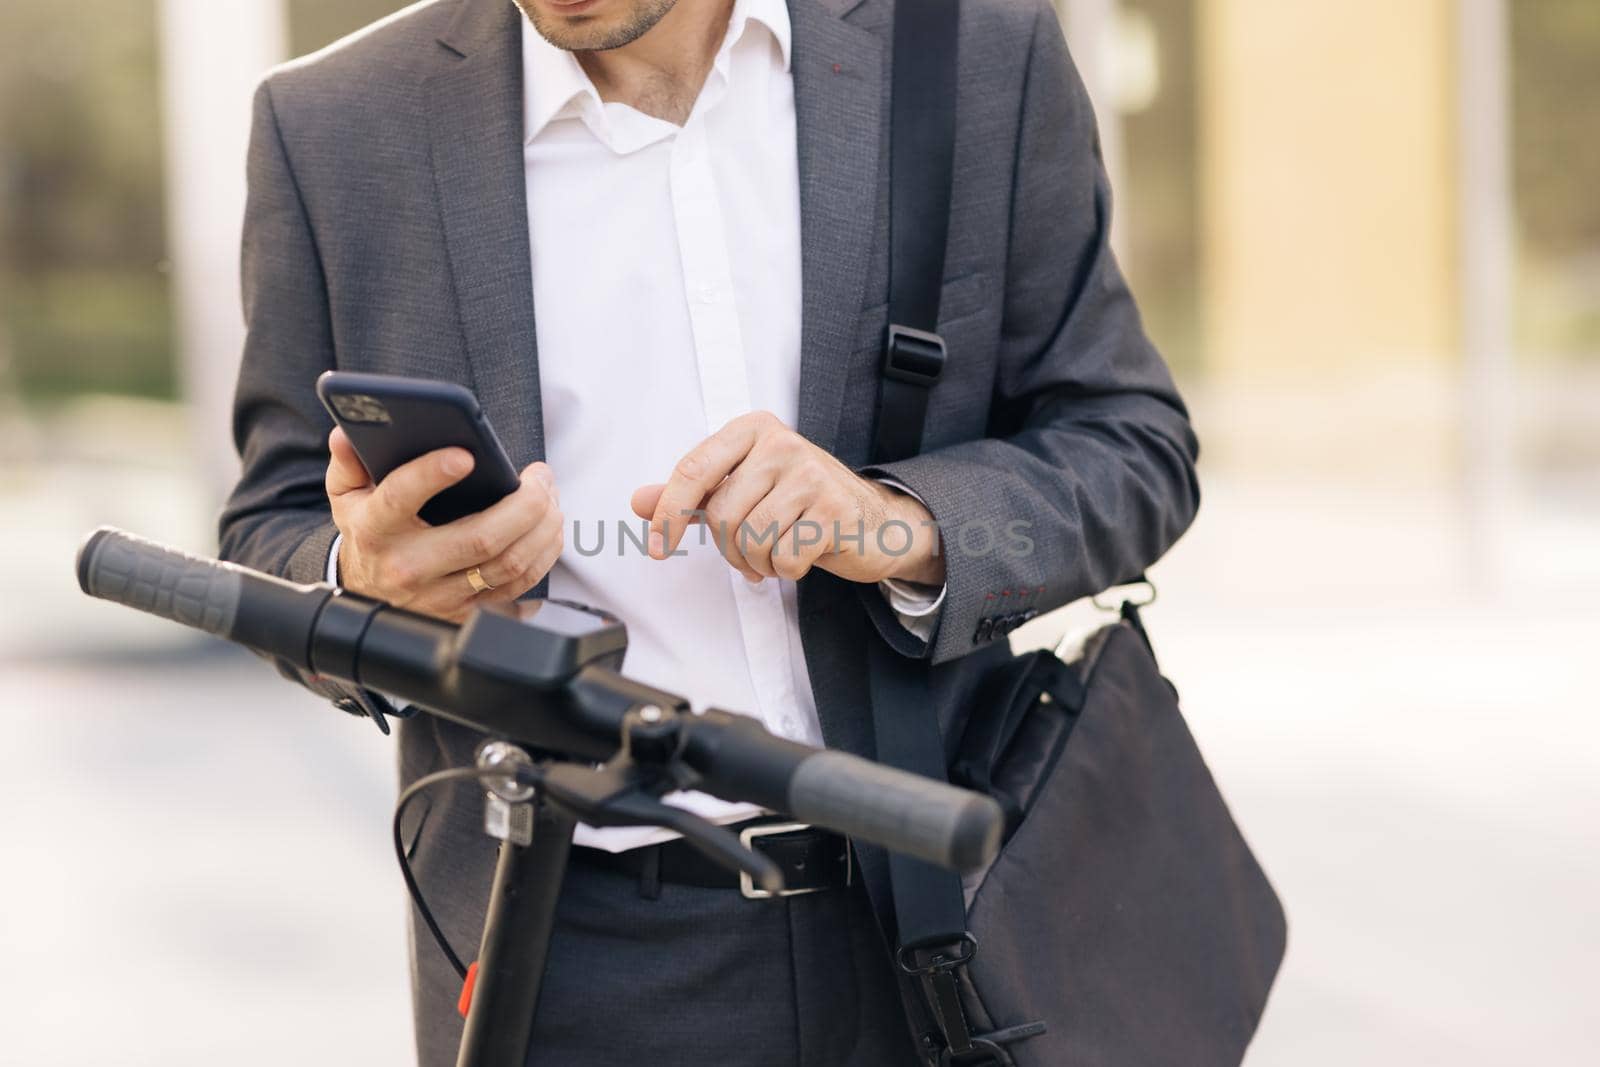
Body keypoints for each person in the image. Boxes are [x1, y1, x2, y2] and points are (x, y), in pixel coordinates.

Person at [219, 0, 1200, 1063]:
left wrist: (898, 524)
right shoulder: (332, 124)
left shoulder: (973, 49)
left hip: (952, 919)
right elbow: (271, 528)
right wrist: (362, 580)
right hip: (561, 952)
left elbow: (1132, 443)